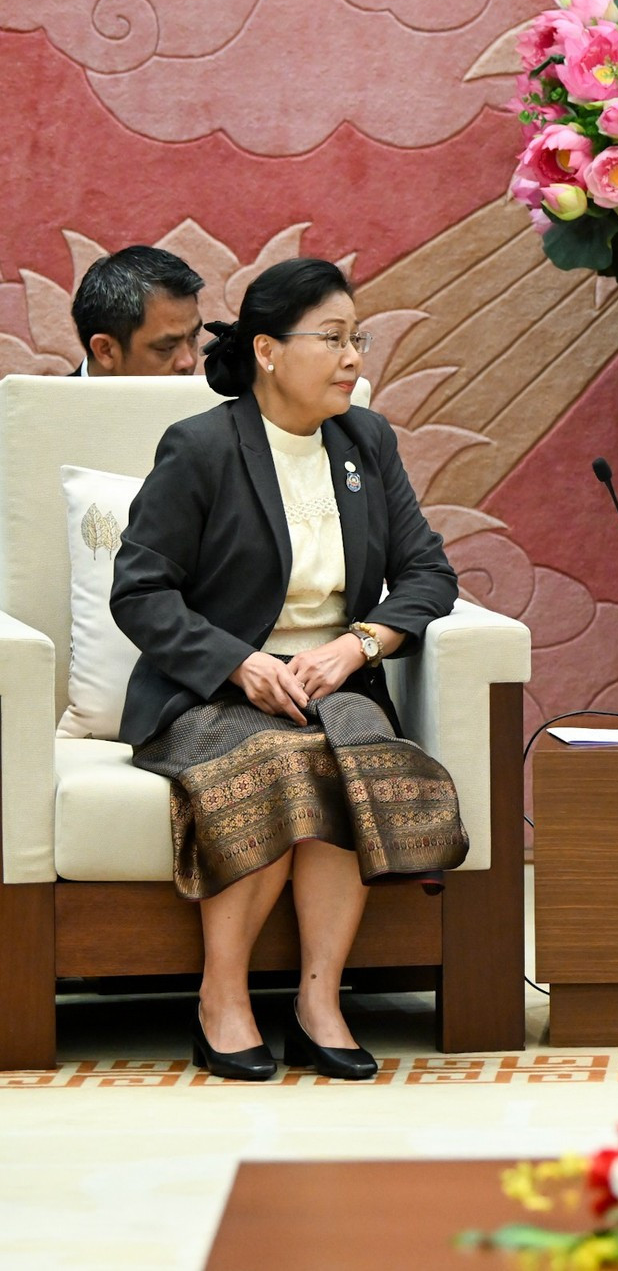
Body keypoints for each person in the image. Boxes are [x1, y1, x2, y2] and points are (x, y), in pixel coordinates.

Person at [110, 258, 466, 1082]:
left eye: (358, 339)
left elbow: (428, 574)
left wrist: (360, 644)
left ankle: (318, 1001)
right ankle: (222, 999)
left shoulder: (365, 440)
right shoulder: (201, 447)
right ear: (268, 351)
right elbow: (140, 591)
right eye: (333, 340)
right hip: (214, 689)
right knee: (281, 758)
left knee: (356, 755)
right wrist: (236, 664)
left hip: (333, 681)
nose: (354, 360)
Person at [69, 246, 205, 376]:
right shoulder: (54, 400)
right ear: (106, 351)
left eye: (193, 337)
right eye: (166, 347)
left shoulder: (212, 399)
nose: (189, 361)